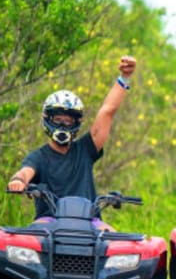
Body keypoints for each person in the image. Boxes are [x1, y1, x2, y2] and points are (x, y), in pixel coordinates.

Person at [7, 55, 138, 230]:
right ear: (47, 119)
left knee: (112, 238)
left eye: (68, 121)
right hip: (48, 220)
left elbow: (108, 110)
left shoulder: (85, 149)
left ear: (76, 123)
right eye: (58, 119)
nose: (62, 125)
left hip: (90, 220)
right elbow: (25, 172)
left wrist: (125, 77)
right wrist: (18, 181)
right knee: (33, 235)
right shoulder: (39, 157)